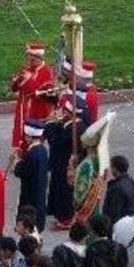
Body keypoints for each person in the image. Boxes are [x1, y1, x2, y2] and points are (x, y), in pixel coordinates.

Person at [45, 98, 86, 230]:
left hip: (65, 165)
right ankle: (61, 215)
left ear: (70, 112)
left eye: (65, 110)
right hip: (61, 163)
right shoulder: (71, 124)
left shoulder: (73, 129)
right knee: (60, 190)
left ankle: (66, 219)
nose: (62, 112)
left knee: (64, 192)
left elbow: (54, 141)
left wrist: (50, 123)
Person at [10, 41, 55, 148]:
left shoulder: (46, 71)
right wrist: (16, 81)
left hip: (37, 108)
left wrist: (29, 80)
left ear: (39, 57)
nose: (29, 61)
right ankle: (21, 152)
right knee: (20, 132)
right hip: (23, 106)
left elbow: (45, 93)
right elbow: (15, 88)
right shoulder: (27, 68)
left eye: (32, 59)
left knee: (34, 135)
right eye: (28, 58)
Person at [14, 120, 50, 231]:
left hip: (29, 193)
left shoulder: (32, 153)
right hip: (40, 191)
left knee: (28, 222)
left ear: (29, 136)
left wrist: (17, 161)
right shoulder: (43, 150)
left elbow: (20, 172)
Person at [106, 155, 134, 224]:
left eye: (111, 167)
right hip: (133, 225)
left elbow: (114, 213)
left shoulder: (116, 188)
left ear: (115, 168)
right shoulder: (133, 183)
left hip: (120, 228)